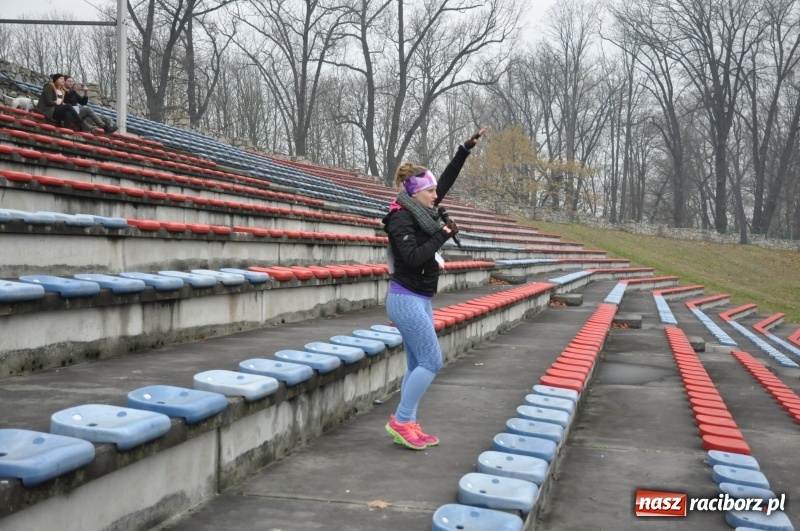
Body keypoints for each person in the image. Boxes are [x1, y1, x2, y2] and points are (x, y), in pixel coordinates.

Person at [383, 125, 488, 450]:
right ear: (415, 193)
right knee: (431, 361)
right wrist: (443, 234)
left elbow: (446, 179)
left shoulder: (421, 210)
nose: (436, 196)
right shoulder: (400, 218)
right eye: (430, 191)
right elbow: (413, 257)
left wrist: (464, 150)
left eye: (434, 191)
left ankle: (409, 422)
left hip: (420, 298)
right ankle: (401, 420)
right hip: (404, 299)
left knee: (417, 364)